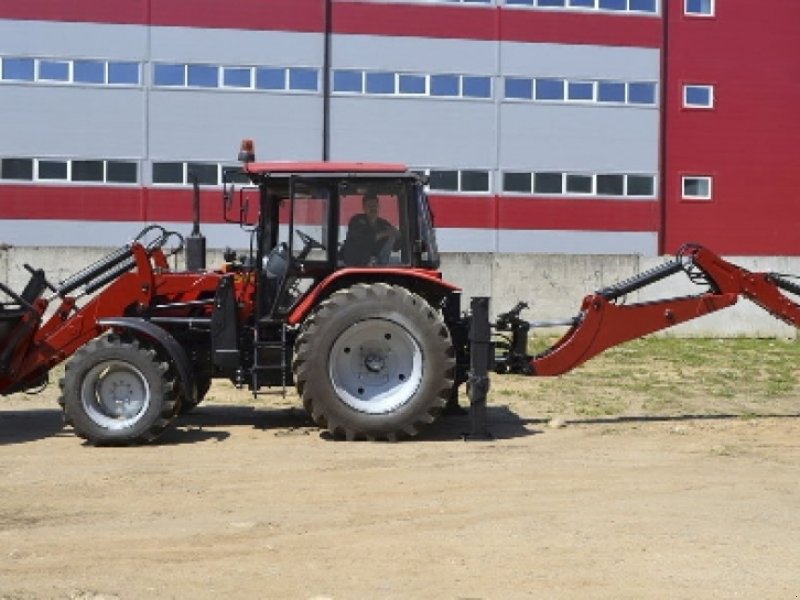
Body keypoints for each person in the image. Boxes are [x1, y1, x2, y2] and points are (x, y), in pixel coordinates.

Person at [341, 193, 399, 266]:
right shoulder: (356, 221)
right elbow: (363, 239)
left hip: (379, 265)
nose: (372, 208)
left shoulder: (384, 224)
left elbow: (396, 247)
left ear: (379, 207)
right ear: (364, 208)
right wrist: (384, 233)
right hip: (355, 265)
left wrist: (397, 235)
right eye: (369, 206)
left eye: (375, 205)